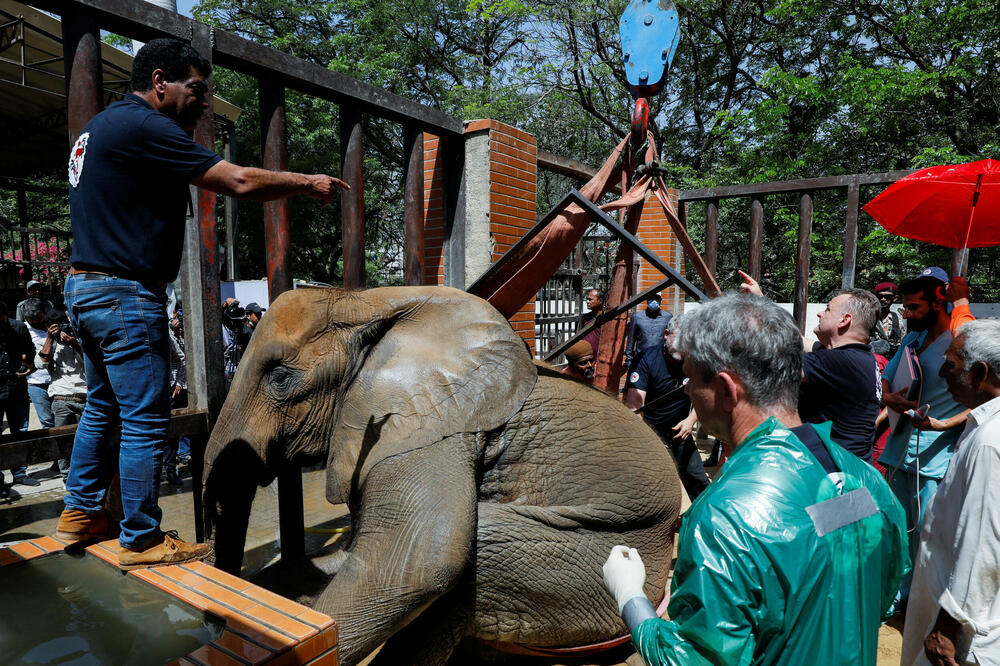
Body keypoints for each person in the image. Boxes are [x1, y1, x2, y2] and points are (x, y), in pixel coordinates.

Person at [56, 38, 349, 568]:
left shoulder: (98, 128)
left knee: (102, 407)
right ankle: (141, 537)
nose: (204, 102)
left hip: (85, 288)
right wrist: (306, 182)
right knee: (146, 416)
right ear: (160, 81)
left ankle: (79, 514)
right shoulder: (148, 127)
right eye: (196, 90)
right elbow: (235, 180)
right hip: (124, 293)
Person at [602, 293, 908, 665]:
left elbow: (691, 659)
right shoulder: (864, 482)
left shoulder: (725, 515)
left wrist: (631, 599)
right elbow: (879, 588)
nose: (689, 392)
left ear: (727, 390)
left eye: (692, 380)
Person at [901, 319, 1000, 666]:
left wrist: (948, 625)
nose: (942, 373)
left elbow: (982, 541)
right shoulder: (984, 425)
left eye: (951, 364)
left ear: (979, 373)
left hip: (967, 631)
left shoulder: (990, 440)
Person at [879, 267, 968, 606]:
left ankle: (925, 604)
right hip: (901, 453)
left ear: (937, 304)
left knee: (928, 540)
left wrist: (944, 425)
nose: (907, 314)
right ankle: (897, 600)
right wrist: (888, 398)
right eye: (906, 307)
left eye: (914, 307)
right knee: (899, 533)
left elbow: (989, 402)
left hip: (936, 462)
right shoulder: (912, 338)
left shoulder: (961, 341)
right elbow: (887, 378)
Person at [739, 272, 883, 461]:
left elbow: (772, 369)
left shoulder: (841, 361)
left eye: (828, 309)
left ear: (844, 320)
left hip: (835, 479)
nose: (820, 313)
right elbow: (793, 339)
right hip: (846, 471)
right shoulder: (857, 357)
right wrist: (761, 302)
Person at [625, 322, 708, 500]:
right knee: (647, 485)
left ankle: (707, 519)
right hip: (650, 431)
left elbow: (705, 397)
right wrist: (647, 439)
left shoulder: (694, 360)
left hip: (681, 429)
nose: (680, 347)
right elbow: (634, 405)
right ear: (665, 334)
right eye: (677, 339)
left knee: (697, 479)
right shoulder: (646, 359)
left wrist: (690, 421)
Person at [40, 313, 87, 478]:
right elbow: (40, 363)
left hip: (84, 398)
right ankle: (66, 476)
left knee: (86, 442)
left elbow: (93, 364)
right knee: (62, 441)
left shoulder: (82, 339)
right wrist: (49, 338)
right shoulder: (49, 343)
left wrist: (75, 343)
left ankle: (84, 475)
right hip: (61, 399)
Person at [0, 300, 38, 494]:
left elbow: (30, 350)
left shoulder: (18, 327)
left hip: (17, 388)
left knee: (20, 432)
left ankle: (20, 473)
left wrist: (27, 362)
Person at [625, 292, 672, 368]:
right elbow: (631, 340)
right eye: (651, 298)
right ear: (647, 300)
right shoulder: (637, 317)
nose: (654, 301)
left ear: (660, 300)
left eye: (656, 298)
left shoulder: (668, 317)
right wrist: (629, 360)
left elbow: (671, 338)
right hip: (641, 360)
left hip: (660, 361)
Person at [871, 281, 903, 358]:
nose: (883, 299)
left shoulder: (898, 319)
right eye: (879, 296)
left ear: (895, 298)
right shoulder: (867, 317)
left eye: (887, 297)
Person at [580, 288, 605, 353]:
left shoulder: (606, 318)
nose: (587, 302)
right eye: (587, 299)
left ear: (600, 301)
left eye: (590, 299)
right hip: (586, 356)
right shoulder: (585, 318)